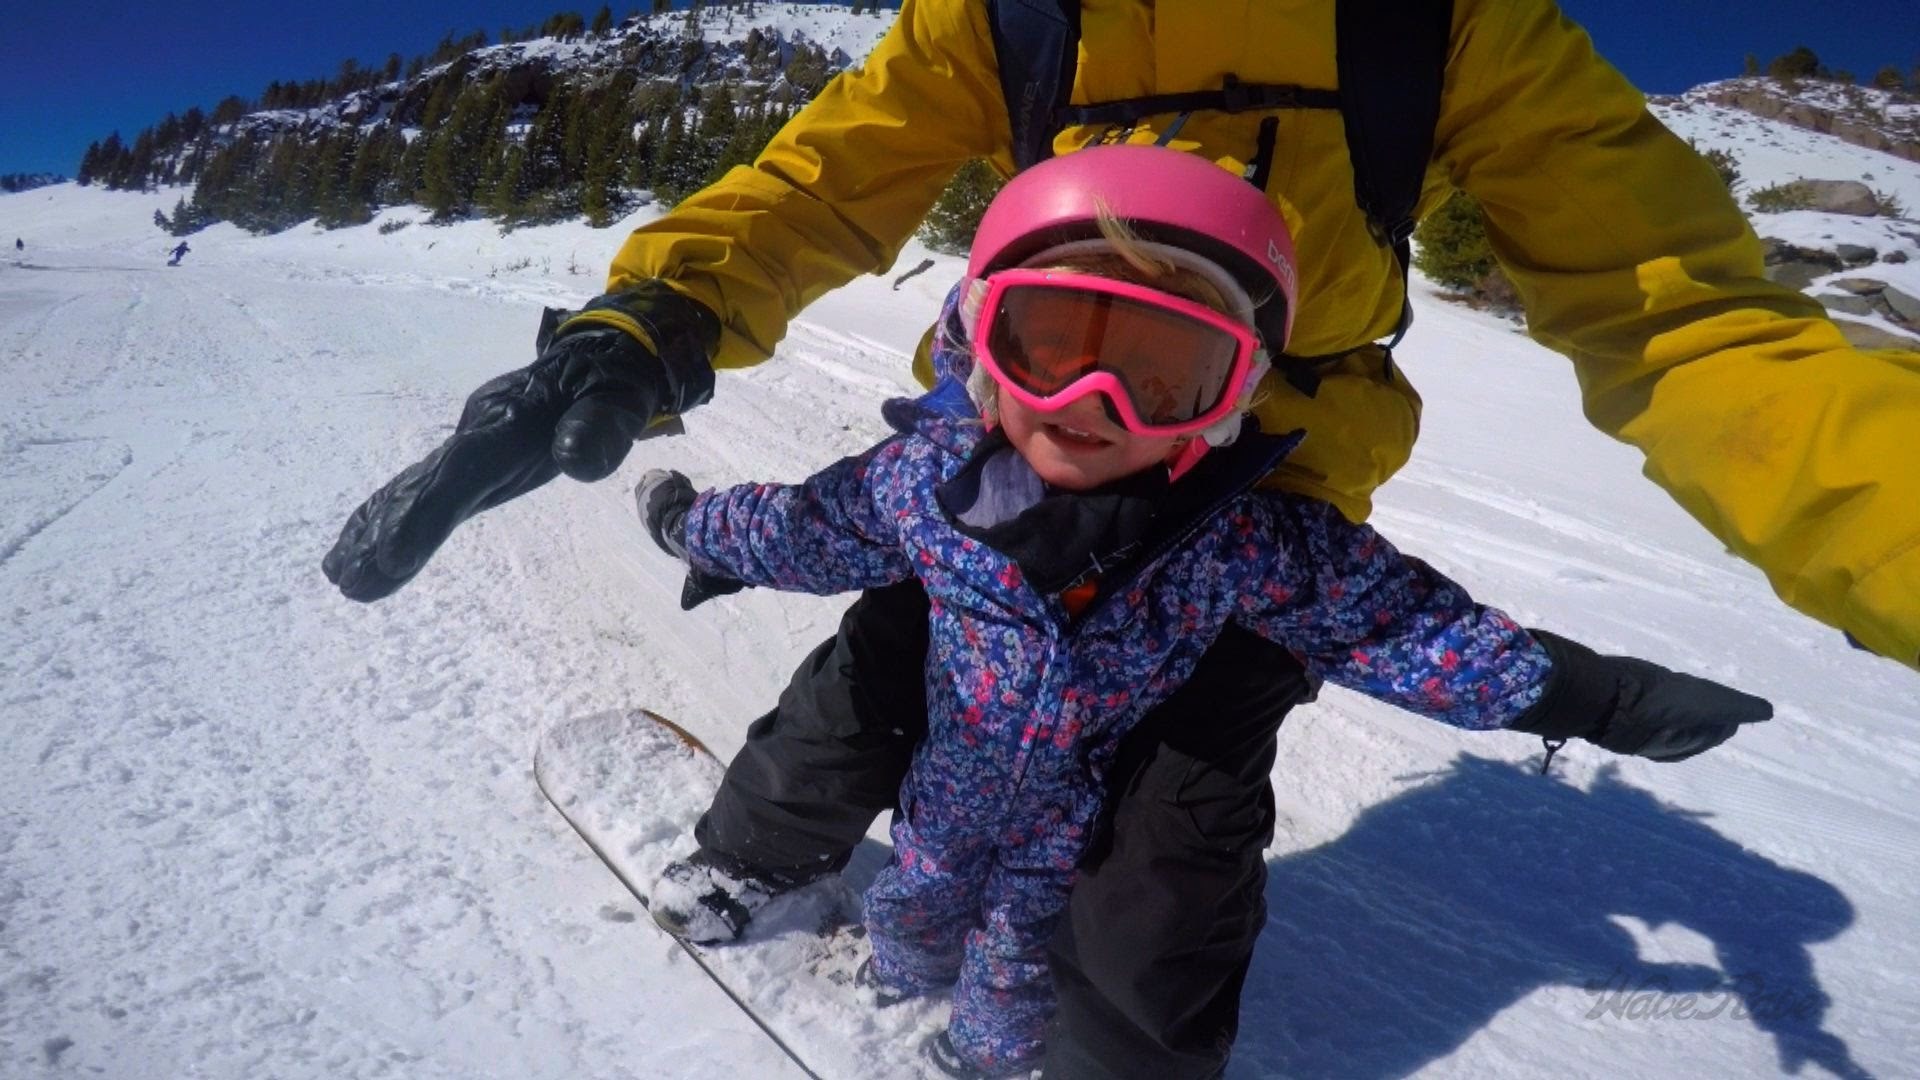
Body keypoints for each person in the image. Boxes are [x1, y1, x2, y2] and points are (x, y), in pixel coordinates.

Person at [323, 0, 1918, 1074]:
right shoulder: (1012, 8)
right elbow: (822, 192)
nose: (1104, 385)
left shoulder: (1441, 22)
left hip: (1252, 506)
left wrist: (1587, 682)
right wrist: (651, 326)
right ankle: (748, 863)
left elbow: (1691, 314)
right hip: (990, 474)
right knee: (857, 690)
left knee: (1167, 869)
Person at [626, 144, 1771, 1079]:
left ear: (1229, 402)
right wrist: (693, 528)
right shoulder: (921, 484)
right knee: (918, 898)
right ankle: (890, 982)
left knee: (1025, 956)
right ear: (982, 346)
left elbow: (1400, 626)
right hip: (945, 785)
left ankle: (975, 1059)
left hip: (1069, 819)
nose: (1092, 403)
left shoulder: (1238, 538)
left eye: (1162, 372)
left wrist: (1587, 694)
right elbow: (800, 526)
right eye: (1051, 346)